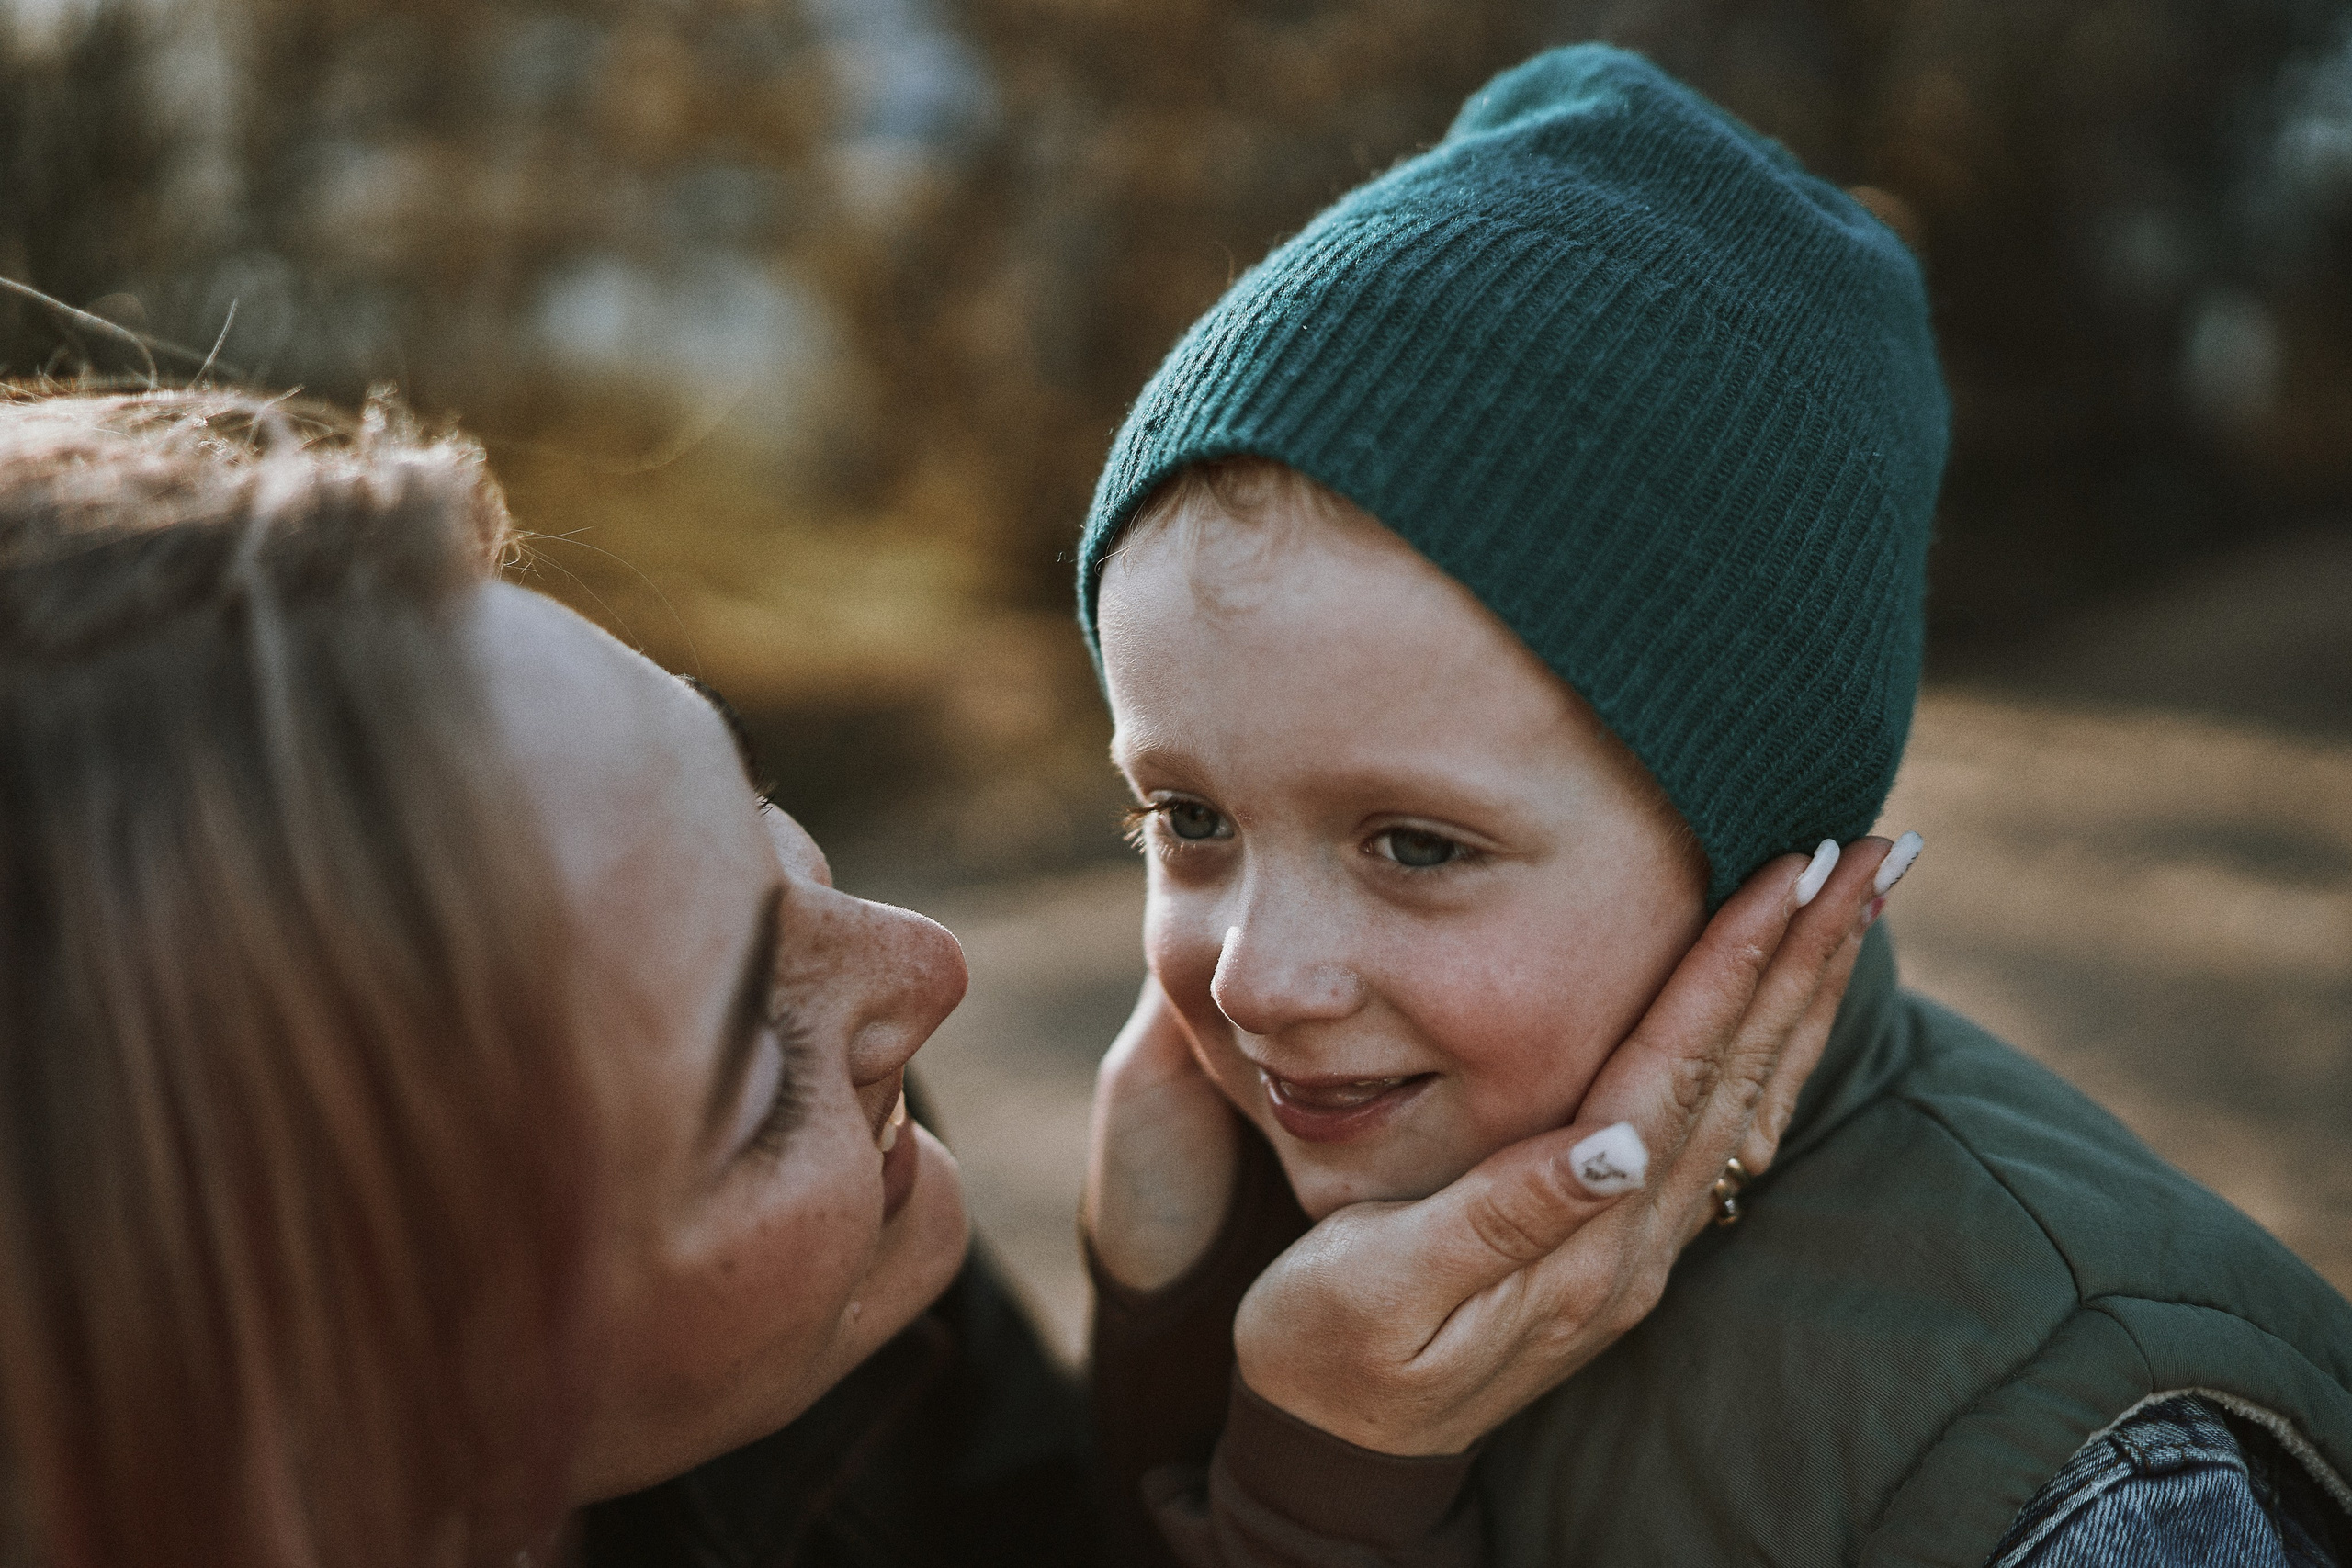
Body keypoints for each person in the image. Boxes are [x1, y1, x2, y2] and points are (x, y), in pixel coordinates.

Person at [0, 385, 1875, 1568]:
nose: (927, 968)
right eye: (751, 1060)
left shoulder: (841, 1320)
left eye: (758, 813)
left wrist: (1228, 1369)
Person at [1074, 44, 2352, 1568]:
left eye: (1415, 844)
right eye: (1189, 820)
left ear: (1761, 845)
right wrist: (1180, 1331)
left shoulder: (2078, 1466)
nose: (1252, 978)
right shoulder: (1286, 1217)